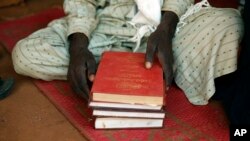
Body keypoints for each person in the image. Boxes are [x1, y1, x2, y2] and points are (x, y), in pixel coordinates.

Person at [12, 0, 243, 107]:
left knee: (230, 22)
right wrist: (79, 48)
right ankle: (138, 70)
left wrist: (165, 29)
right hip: (106, 28)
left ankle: (117, 71)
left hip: (168, 28)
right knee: (25, 54)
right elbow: (82, 4)